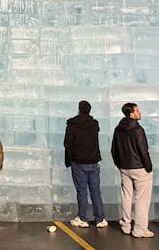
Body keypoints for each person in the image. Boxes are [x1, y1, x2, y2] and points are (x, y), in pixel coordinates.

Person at [111, 102, 153, 238]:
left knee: (126, 196)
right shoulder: (137, 130)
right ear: (131, 114)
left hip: (124, 167)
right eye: (137, 110)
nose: (139, 112)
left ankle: (126, 224)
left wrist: (119, 164)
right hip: (139, 167)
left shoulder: (118, 128)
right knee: (142, 199)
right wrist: (149, 167)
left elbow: (114, 149)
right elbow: (143, 150)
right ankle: (139, 229)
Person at [64, 100, 107, 228]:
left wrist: (70, 159)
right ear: (89, 110)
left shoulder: (72, 124)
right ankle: (100, 218)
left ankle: (83, 217)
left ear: (79, 109)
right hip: (93, 161)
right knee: (95, 191)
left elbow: (67, 143)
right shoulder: (94, 124)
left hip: (79, 161)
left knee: (82, 191)